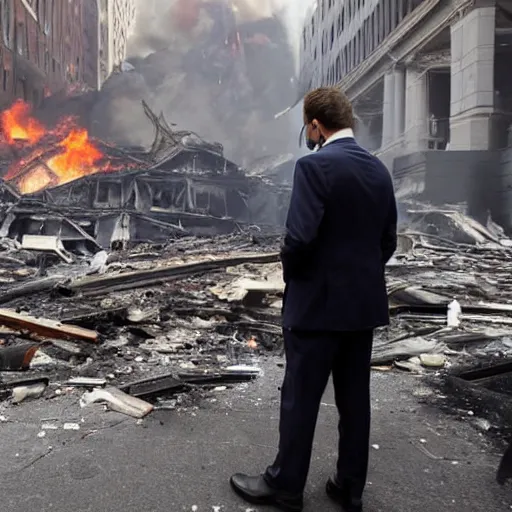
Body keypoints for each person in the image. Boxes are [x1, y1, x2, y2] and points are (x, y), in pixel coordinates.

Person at [229, 87, 397, 512]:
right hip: (362, 309)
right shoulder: (380, 171)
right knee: (355, 400)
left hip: (317, 309)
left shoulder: (314, 167)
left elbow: (299, 239)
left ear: (316, 125)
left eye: (307, 126)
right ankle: (349, 486)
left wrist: (295, 277)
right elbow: (388, 241)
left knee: (301, 398)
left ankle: (285, 487)